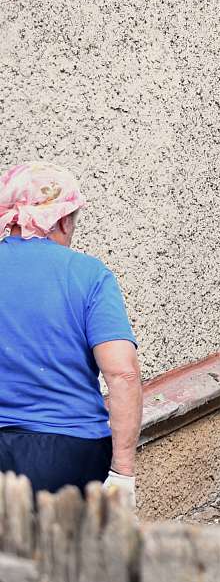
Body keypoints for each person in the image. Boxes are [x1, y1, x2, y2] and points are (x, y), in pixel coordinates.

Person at [0, 162, 142, 506]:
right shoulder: (89, 275)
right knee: (65, 555)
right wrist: (122, 474)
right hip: (71, 452)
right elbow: (122, 373)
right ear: (62, 220)